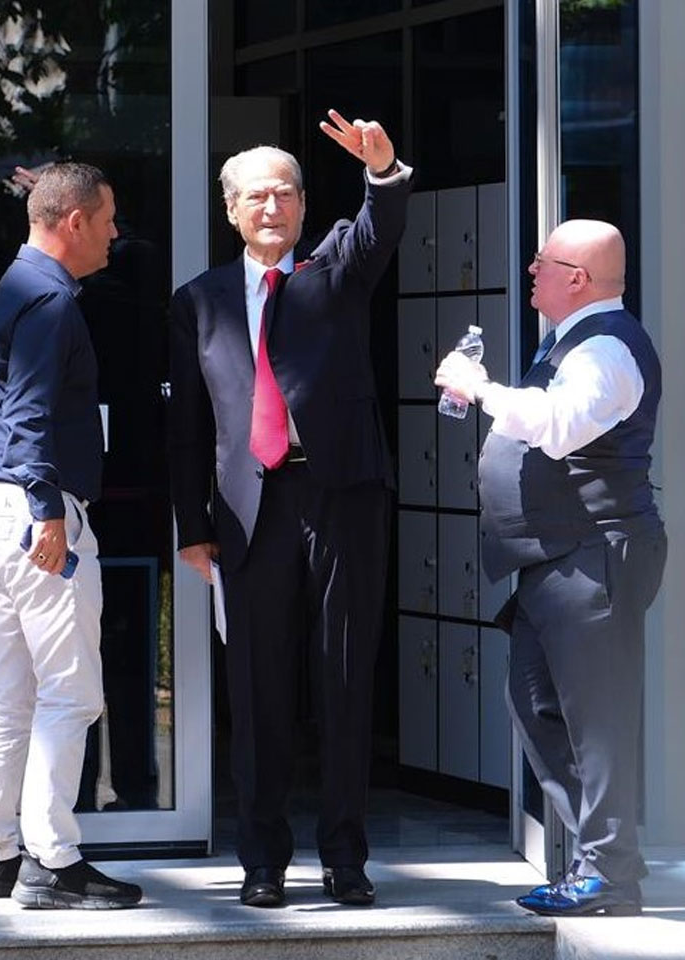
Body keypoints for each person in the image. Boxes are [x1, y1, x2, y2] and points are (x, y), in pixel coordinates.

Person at [167, 110, 411, 908]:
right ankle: (263, 862)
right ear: (231, 210)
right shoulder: (199, 301)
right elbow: (188, 425)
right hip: (249, 511)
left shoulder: (334, 269)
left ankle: (345, 859)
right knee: (258, 689)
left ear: (305, 206)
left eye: (286, 194)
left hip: (342, 498)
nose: (272, 207)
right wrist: (193, 527)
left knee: (343, 679)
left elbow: (379, 228)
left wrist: (381, 172)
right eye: (256, 196)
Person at [434, 219, 666, 918]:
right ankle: (607, 855)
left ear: (579, 278)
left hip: (593, 554)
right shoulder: (571, 341)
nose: (531, 270)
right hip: (555, 559)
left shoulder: (607, 348)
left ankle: (609, 874)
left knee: (597, 718)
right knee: (534, 702)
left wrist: (480, 388)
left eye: (544, 262)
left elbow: (561, 426)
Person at [0, 162, 141, 910]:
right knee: (71, 694)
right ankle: (52, 862)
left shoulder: (16, 286)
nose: (115, 234)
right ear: (74, 222)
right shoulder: (51, 300)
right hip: (32, 511)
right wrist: (48, 510)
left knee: (14, 693)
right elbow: (28, 412)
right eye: (109, 220)